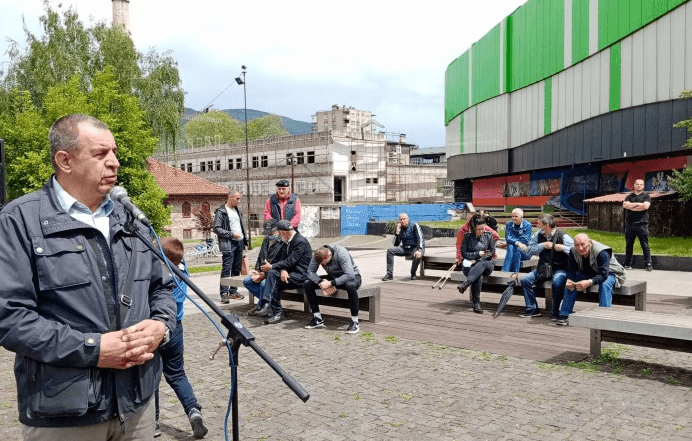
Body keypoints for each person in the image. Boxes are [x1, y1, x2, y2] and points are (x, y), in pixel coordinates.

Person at [0, 114, 176, 439]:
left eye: (114, 152)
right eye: (101, 154)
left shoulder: (130, 218)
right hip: (65, 412)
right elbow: (9, 318)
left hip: (138, 402)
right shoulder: (18, 221)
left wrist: (161, 326)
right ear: (65, 161)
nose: (115, 163)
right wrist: (93, 348)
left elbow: (161, 288)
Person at [154, 238, 208, 439]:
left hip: (157, 329)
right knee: (177, 374)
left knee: (151, 376)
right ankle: (193, 411)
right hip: (176, 328)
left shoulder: (159, 275)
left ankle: (153, 422)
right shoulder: (182, 270)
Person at [556, 233, 626, 326]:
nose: (580, 248)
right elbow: (572, 270)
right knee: (572, 283)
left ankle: (604, 318)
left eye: (582, 244)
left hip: (610, 273)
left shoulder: (602, 252)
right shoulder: (573, 251)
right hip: (591, 272)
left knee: (604, 284)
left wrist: (589, 282)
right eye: (577, 245)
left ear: (588, 243)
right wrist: (569, 279)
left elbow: (603, 274)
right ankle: (565, 314)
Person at [518, 214, 574, 320]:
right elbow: (529, 250)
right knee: (525, 280)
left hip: (560, 269)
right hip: (543, 268)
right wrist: (542, 245)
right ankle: (532, 309)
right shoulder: (538, 234)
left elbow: (575, 251)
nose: (537, 226)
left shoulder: (563, 236)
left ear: (547, 225)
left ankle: (555, 311)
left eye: (539, 224)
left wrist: (563, 248)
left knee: (557, 283)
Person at [256, 220, 312, 324]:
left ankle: (272, 307)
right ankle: (274, 310)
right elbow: (282, 260)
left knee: (272, 275)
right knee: (272, 276)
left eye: (279, 233)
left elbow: (290, 261)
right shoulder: (286, 241)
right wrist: (283, 270)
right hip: (289, 273)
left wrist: (272, 266)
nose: (277, 235)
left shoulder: (300, 241)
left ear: (283, 233)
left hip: (300, 275)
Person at [304, 245, 362, 334]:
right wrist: (321, 282)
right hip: (333, 278)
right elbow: (310, 272)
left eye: (325, 263)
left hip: (352, 277)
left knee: (350, 285)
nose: (323, 265)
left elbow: (349, 275)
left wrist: (331, 283)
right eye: (322, 264)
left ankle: (355, 321)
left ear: (329, 255)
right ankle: (318, 318)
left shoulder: (341, 253)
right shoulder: (317, 254)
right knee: (308, 283)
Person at [213, 189, 249, 303]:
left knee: (236, 268)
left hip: (239, 242)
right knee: (226, 269)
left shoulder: (238, 211)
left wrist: (246, 241)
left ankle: (233, 292)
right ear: (230, 197)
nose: (239, 201)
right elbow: (216, 228)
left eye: (239, 199)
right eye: (237, 198)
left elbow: (241, 226)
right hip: (229, 243)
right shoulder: (221, 211)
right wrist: (231, 234)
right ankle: (224, 293)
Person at [244, 219, 285, 316]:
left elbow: (281, 263)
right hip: (263, 272)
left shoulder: (282, 242)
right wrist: (257, 271)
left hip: (273, 274)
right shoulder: (266, 240)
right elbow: (260, 256)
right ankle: (266, 304)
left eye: (270, 232)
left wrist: (264, 275)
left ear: (276, 230)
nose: (269, 234)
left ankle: (261, 305)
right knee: (247, 281)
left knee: (263, 284)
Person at [456, 218, 496, 314]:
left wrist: (479, 258)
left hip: (486, 265)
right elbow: (464, 254)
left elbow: (491, 252)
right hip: (470, 265)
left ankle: (466, 283)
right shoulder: (467, 237)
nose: (481, 231)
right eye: (479, 229)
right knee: (478, 275)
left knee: (482, 263)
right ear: (474, 228)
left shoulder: (489, 236)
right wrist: (478, 253)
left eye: (483, 229)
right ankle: (476, 302)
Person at [381, 213, 425, 281]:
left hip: (415, 248)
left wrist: (419, 250)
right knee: (390, 250)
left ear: (407, 219)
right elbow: (396, 244)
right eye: (401, 219)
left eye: (404, 219)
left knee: (417, 255)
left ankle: (413, 273)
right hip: (405, 248)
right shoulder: (400, 228)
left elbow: (420, 238)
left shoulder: (414, 225)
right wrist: (397, 232)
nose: (402, 221)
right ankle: (389, 274)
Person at [622, 179, 653, 271]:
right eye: (637, 184)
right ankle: (627, 264)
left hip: (642, 224)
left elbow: (645, 206)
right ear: (634, 185)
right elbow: (625, 205)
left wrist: (631, 206)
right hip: (630, 224)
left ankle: (648, 264)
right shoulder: (629, 196)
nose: (639, 186)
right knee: (629, 244)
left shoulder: (646, 196)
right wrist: (639, 205)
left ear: (643, 186)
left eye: (641, 184)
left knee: (645, 245)